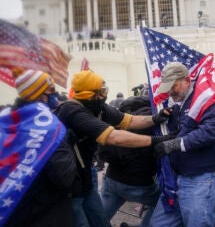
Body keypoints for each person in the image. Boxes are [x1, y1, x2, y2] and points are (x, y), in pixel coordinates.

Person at [54, 70, 174, 227]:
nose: (105, 94)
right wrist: (157, 140)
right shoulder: (73, 111)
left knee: (101, 221)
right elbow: (113, 137)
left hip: (86, 176)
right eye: (102, 91)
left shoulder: (98, 107)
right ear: (89, 94)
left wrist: (155, 119)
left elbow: (127, 121)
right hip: (69, 181)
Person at [149, 62, 215, 227]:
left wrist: (177, 144)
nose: (170, 91)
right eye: (168, 86)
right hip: (181, 177)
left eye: (174, 85)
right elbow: (185, 129)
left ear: (187, 80)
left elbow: (214, 129)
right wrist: (166, 120)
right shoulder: (182, 102)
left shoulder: (207, 97)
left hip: (201, 178)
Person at [1, 68, 78, 227]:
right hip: (44, 213)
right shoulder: (50, 128)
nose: (55, 94)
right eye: (51, 90)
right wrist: (66, 141)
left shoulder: (7, 121)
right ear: (37, 93)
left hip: (11, 208)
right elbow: (65, 178)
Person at [99, 96, 161, 227]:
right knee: (165, 203)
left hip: (111, 178)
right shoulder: (151, 119)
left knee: (99, 217)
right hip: (138, 183)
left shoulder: (120, 120)